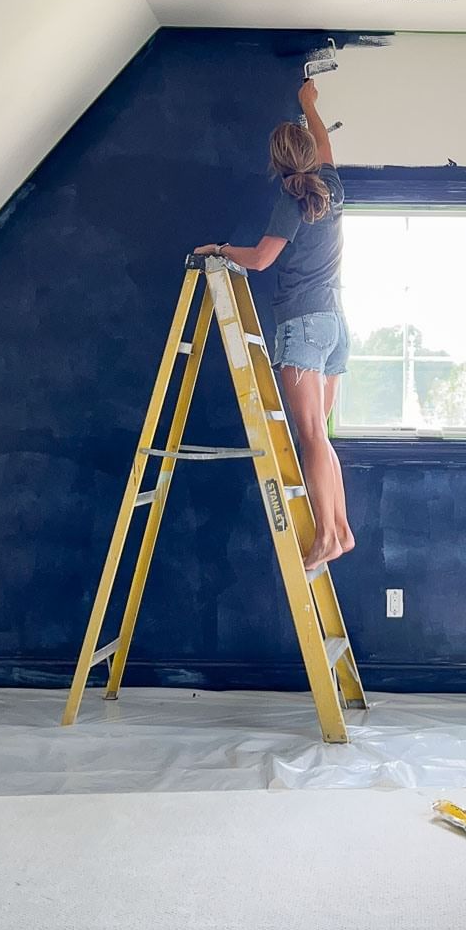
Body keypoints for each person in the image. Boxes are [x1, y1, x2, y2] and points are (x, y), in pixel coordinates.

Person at [194, 79, 354, 572]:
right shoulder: (332, 187)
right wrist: (310, 105)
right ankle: (342, 530)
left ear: (277, 163)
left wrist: (219, 250)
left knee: (311, 436)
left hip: (303, 325)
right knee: (321, 435)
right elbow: (326, 146)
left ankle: (326, 534)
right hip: (335, 324)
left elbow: (262, 259)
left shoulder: (290, 200)